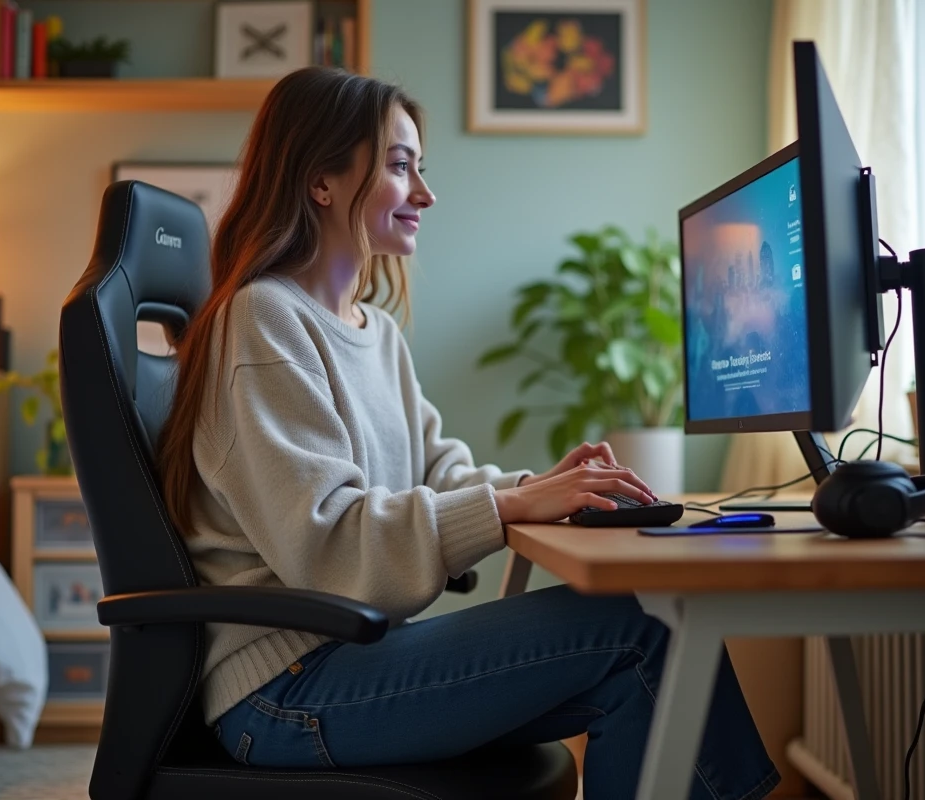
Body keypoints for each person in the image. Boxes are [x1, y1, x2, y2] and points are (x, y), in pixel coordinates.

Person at [157, 66, 779, 800]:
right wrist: (508, 508)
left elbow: (438, 467)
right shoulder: (264, 320)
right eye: (398, 166)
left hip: (349, 659)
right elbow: (328, 547)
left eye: (421, 168)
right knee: (640, 630)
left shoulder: (374, 333)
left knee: (644, 653)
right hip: (287, 690)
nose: (425, 193)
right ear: (320, 180)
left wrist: (536, 488)